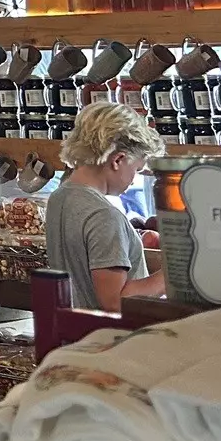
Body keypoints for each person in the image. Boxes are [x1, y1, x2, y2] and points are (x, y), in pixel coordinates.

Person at [46, 101, 166, 311]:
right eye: (136, 170)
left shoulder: (59, 197)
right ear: (118, 160)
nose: (133, 179)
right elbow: (115, 303)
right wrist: (173, 274)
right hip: (111, 339)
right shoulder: (104, 216)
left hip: (76, 333)